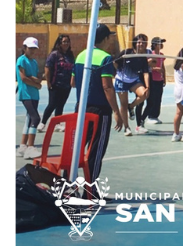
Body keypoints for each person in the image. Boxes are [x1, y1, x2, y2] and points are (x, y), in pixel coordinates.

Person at [72, 24, 122, 181]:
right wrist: (116, 111)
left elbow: (73, 81)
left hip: (81, 108)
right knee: (96, 150)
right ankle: (90, 189)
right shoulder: (105, 58)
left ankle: (67, 183)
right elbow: (107, 87)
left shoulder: (81, 55)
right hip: (100, 110)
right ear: (106, 38)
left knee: (76, 148)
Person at [114, 34, 150, 135]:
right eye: (139, 42)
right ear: (135, 43)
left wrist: (147, 86)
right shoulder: (127, 52)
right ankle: (127, 127)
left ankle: (131, 106)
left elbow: (145, 72)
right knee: (123, 104)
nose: (141, 44)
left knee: (145, 94)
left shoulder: (143, 57)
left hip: (134, 80)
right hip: (121, 80)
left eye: (143, 42)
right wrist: (119, 72)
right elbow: (115, 62)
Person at [38, 34, 74, 133]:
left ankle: (58, 123)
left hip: (66, 85)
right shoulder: (54, 54)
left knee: (61, 105)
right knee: (52, 104)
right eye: (64, 42)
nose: (66, 44)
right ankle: (43, 123)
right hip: (55, 84)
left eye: (67, 41)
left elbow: (73, 69)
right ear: (59, 43)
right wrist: (49, 82)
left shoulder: (70, 55)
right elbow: (47, 68)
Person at [17, 37, 44, 159]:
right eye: (30, 48)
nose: (32, 51)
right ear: (25, 48)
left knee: (29, 119)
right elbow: (23, 78)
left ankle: (22, 146)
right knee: (35, 118)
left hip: (34, 95)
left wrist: (37, 81)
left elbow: (34, 76)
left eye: (34, 48)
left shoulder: (34, 62)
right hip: (26, 94)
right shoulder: (21, 60)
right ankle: (30, 147)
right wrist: (37, 84)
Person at [137, 37, 167, 126]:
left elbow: (163, 66)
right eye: (159, 43)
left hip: (159, 79)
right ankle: (150, 116)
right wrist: (155, 68)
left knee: (158, 98)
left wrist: (164, 78)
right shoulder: (151, 54)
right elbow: (147, 66)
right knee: (152, 98)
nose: (161, 45)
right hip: (152, 79)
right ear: (154, 45)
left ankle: (155, 115)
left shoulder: (161, 55)